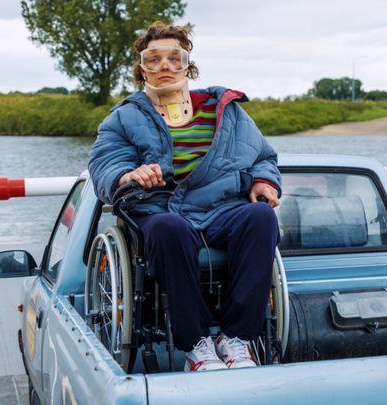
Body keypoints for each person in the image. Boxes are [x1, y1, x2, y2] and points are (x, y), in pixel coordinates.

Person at [88, 21, 281, 372]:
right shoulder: (123, 118)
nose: (165, 66)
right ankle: (196, 345)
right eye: (154, 59)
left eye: (174, 58)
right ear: (142, 69)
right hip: (162, 207)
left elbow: (263, 156)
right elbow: (105, 164)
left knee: (261, 217)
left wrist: (264, 181)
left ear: (187, 65)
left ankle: (237, 338)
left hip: (221, 206)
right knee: (168, 228)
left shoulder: (225, 109)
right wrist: (128, 175)